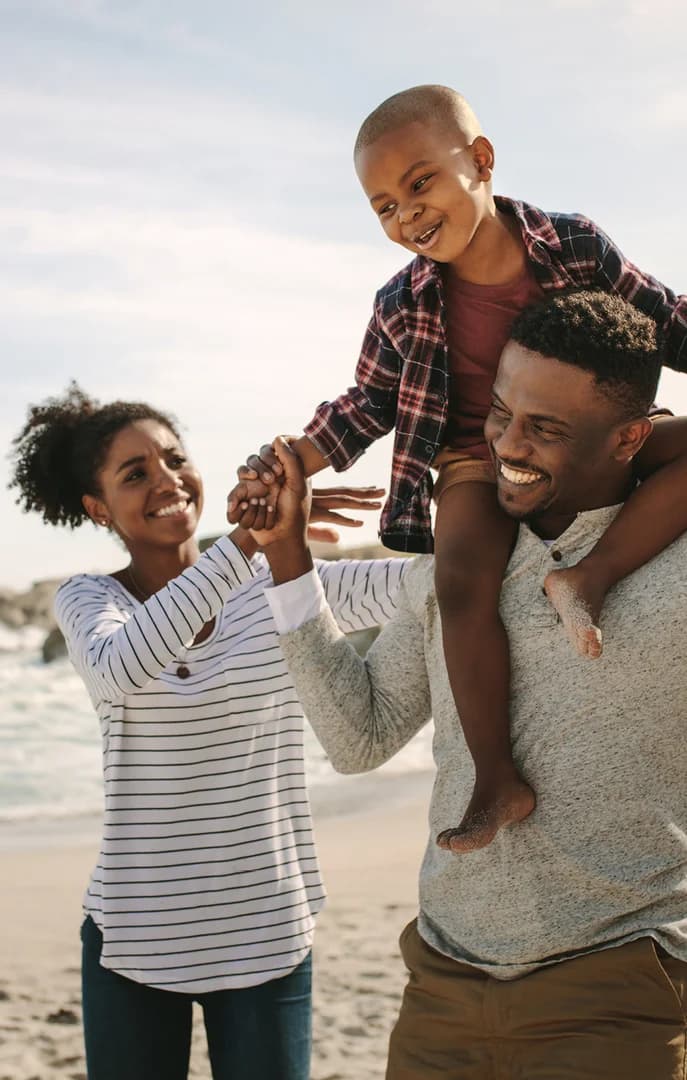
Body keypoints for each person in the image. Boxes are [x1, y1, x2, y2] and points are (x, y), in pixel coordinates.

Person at [234, 290, 687, 1080]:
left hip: (621, 991)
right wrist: (288, 560)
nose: (507, 444)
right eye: (500, 412)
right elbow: (359, 738)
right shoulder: (453, 567)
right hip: (441, 989)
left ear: (627, 438)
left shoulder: (675, 570)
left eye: (545, 429)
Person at [230, 84, 687, 853]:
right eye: (383, 207)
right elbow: (368, 403)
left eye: (419, 184)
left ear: (479, 160)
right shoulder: (400, 302)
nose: (406, 215)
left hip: (586, 440)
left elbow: (665, 320)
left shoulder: (572, 244)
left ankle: (589, 576)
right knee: (461, 580)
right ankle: (495, 778)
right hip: (476, 457)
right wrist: (290, 462)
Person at [9, 384, 405, 1080]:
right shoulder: (89, 600)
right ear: (98, 508)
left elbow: (425, 586)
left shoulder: (282, 583)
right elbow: (121, 667)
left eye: (174, 459)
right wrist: (247, 540)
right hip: (135, 940)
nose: (166, 480)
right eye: (136, 474)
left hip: (268, 934)